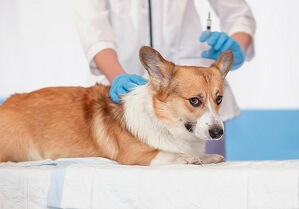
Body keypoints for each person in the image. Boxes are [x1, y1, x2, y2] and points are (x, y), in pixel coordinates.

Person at [73, 0, 256, 157]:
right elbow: (92, 27)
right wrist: (117, 76)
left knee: (204, 184)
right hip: (125, 102)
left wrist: (236, 46)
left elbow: (237, 13)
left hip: (196, 96)